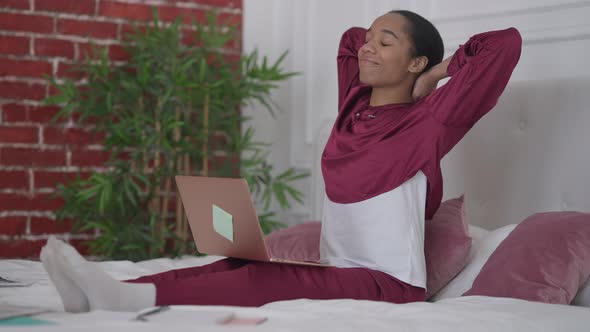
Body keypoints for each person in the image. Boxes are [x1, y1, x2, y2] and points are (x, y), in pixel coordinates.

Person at [40, 10, 522, 313]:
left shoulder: (428, 123)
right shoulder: (353, 106)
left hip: (387, 286)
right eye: (371, 39)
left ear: (414, 62)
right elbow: (349, 38)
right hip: (339, 268)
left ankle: (125, 298)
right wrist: (396, 52)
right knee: (229, 266)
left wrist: (434, 74)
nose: (367, 46)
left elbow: (504, 44)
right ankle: (106, 292)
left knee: (262, 276)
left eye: (387, 41)